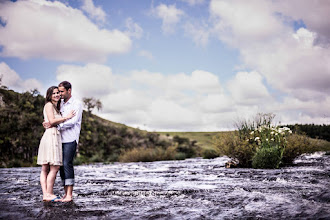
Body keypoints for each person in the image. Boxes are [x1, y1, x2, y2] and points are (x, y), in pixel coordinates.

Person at [46, 81, 83, 202]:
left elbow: (73, 122)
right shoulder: (60, 103)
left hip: (70, 138)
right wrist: (49, 122)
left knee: (67, 164)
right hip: (58, 139)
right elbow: (54, 118)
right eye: (59, 91)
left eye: (62, 91)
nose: (60, 94)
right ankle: (65, 193)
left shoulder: (76, 103)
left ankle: (70, 195)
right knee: (61, 166)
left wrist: (57, 126)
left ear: (69, 90)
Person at [37, 86, 75, 202]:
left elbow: (51, 121)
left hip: (52, 135)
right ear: (49, 95)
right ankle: (48, 193)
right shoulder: (49, 105)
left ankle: (46, 195)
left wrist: (52, 121)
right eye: (53, 93)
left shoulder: (55, 106)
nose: (56, 95)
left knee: (46, 168)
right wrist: (66, 117)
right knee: (53, 167)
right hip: (51, 136)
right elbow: (52, 121)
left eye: (58, 92)